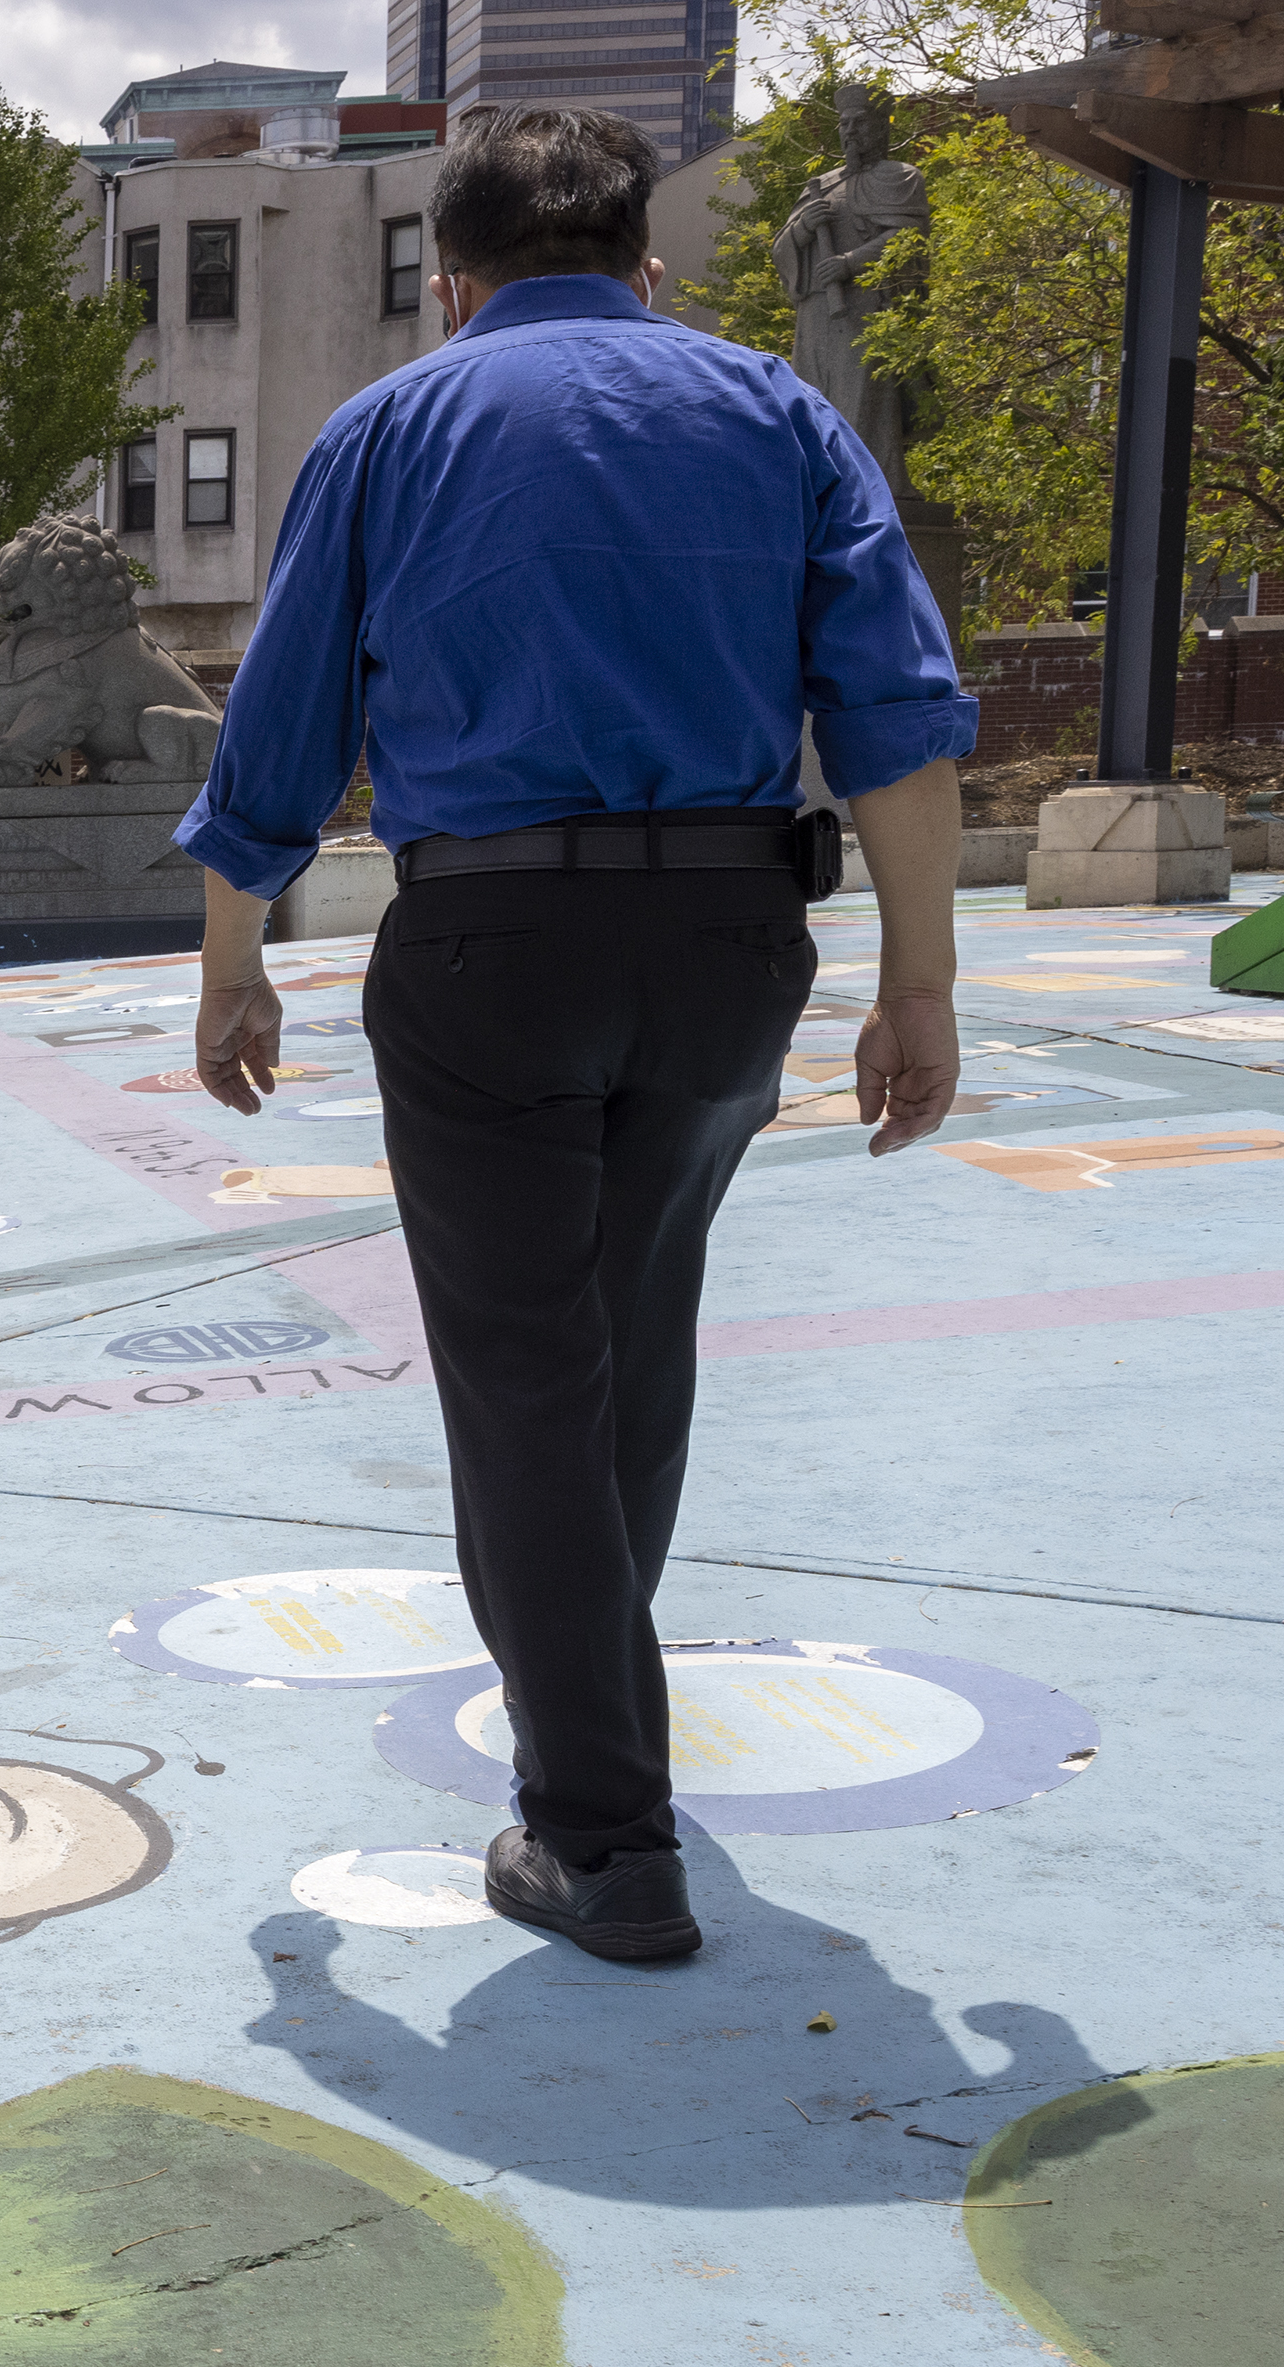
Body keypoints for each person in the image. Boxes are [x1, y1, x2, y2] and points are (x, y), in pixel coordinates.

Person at [175, 106, 974, 1964]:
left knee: (525, 1383)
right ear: (649, 266)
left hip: (485, 942)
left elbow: (281, 730)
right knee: (632, 1346)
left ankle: (601, 1832)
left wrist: (232, 956)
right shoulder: (779, 414)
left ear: (447, 285)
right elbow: (896, 716)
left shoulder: (389, 430)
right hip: (725, 936)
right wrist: (918, 982)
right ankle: (598, 1755)